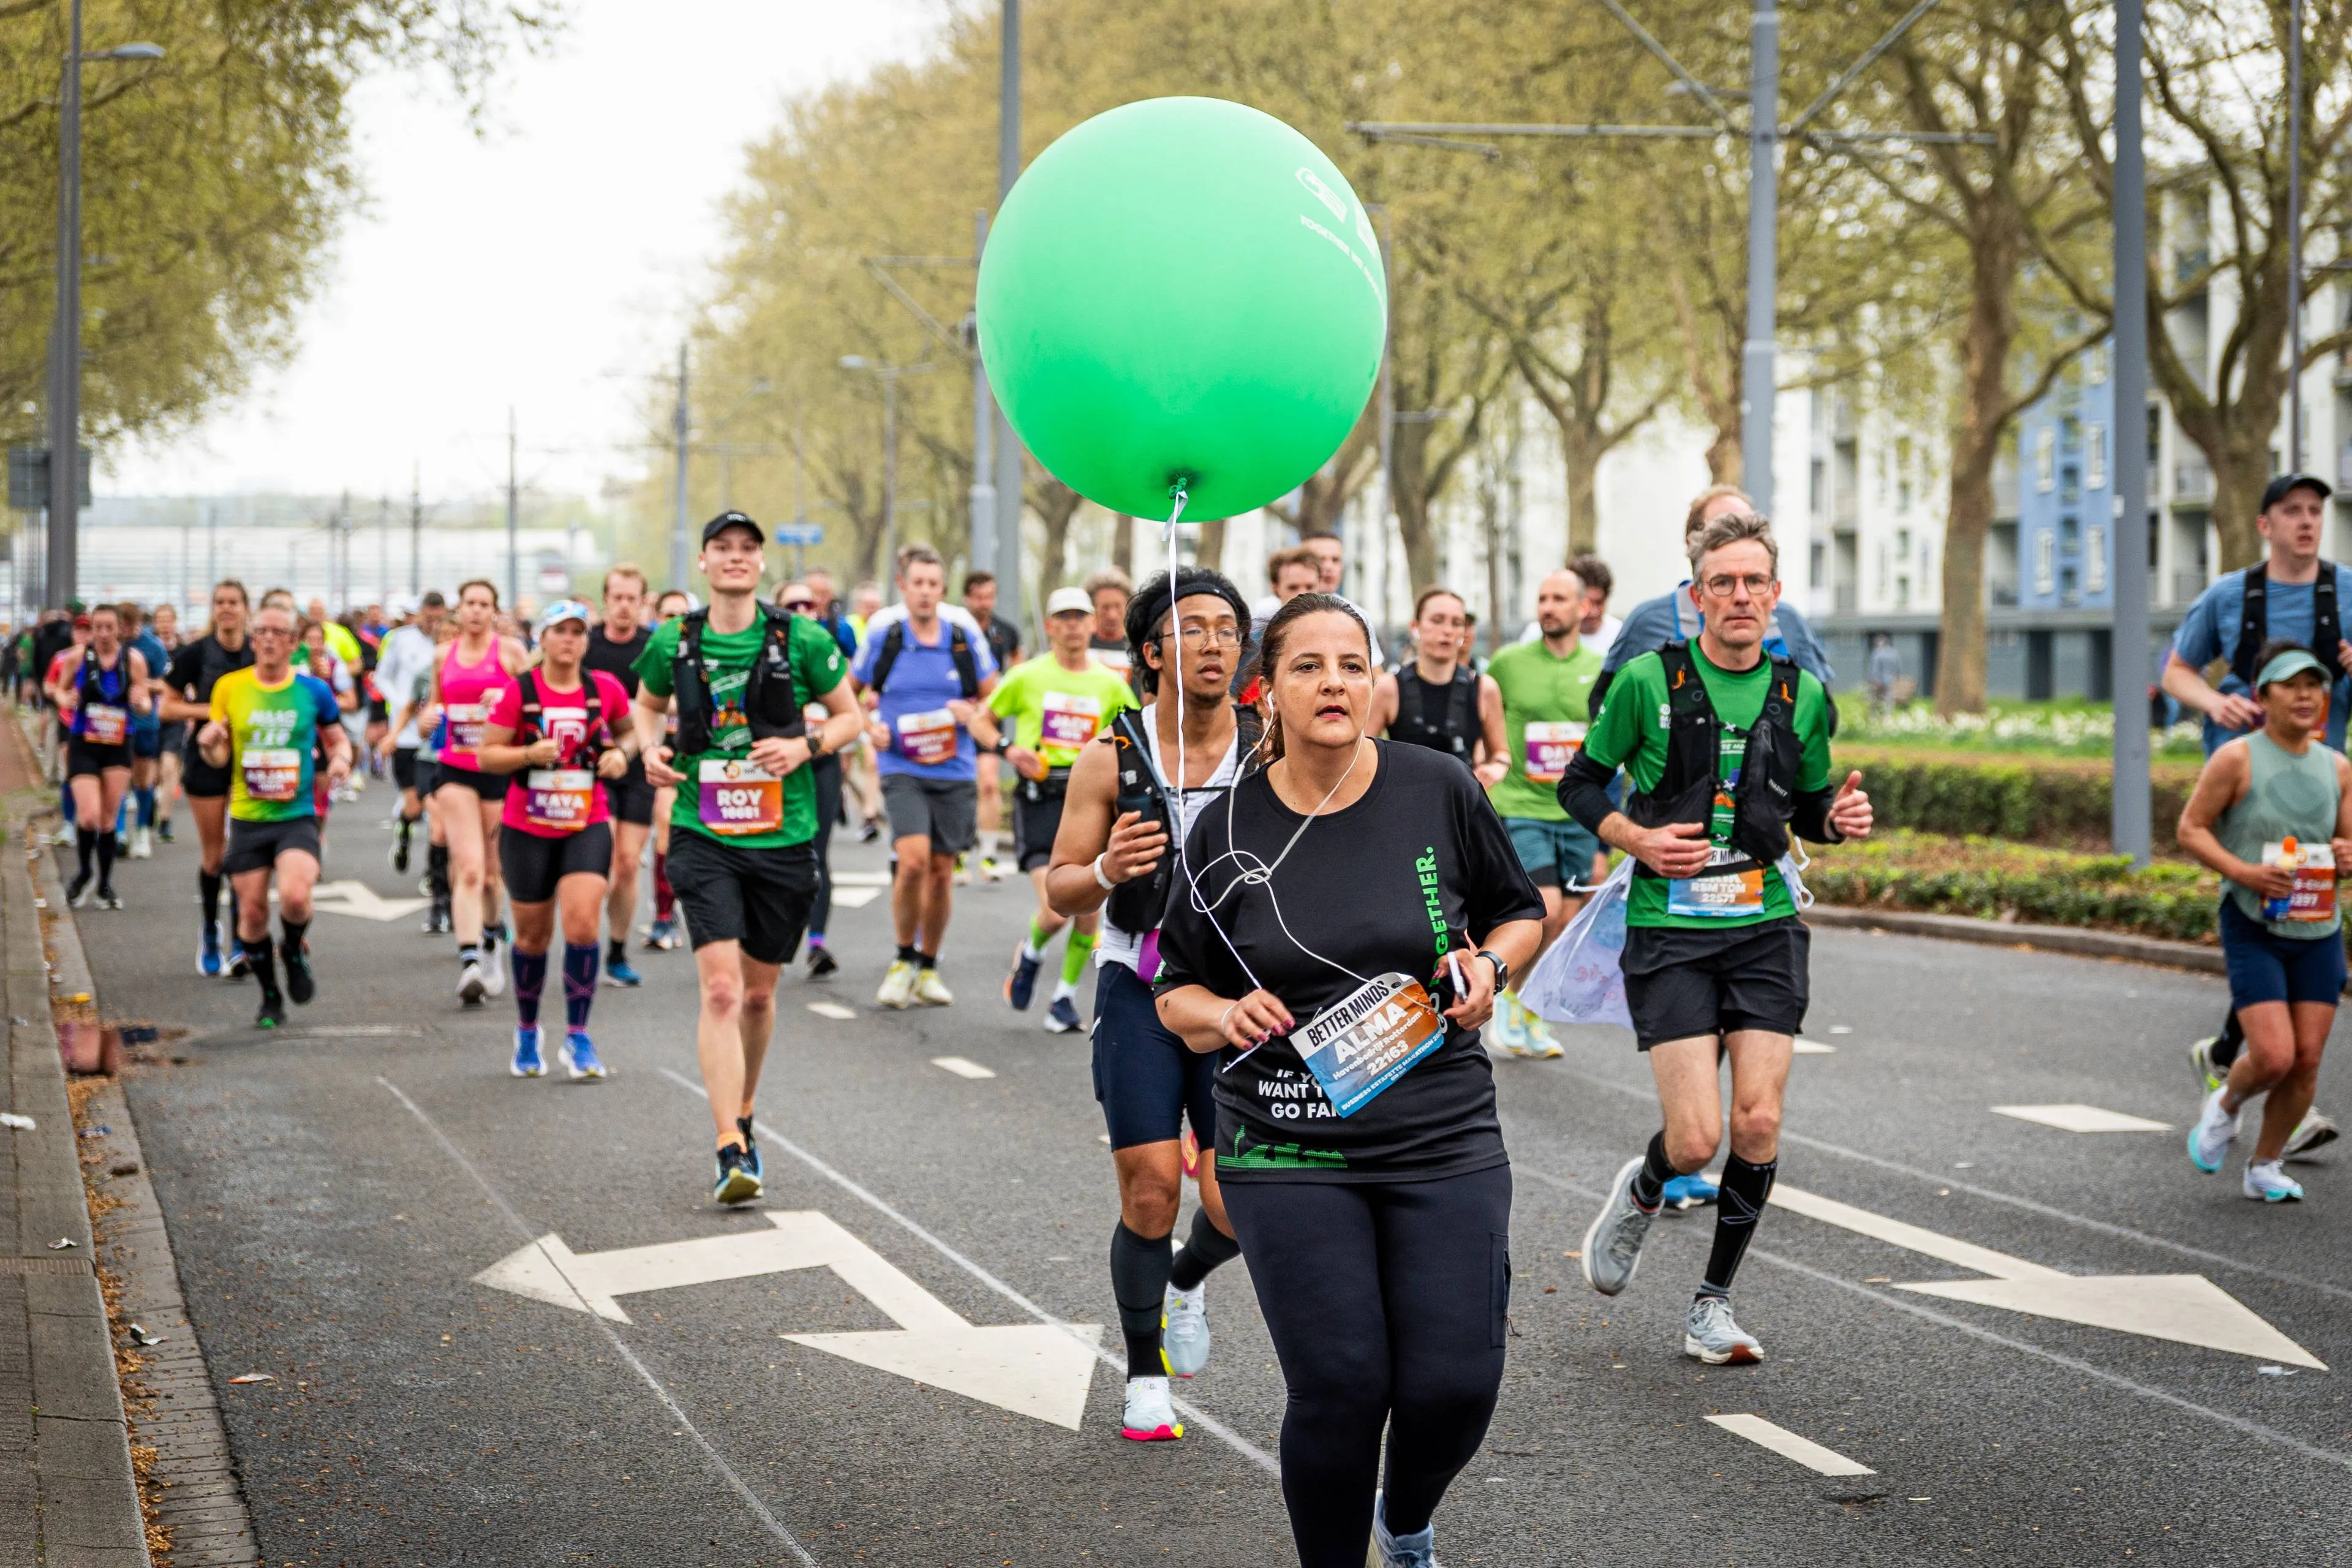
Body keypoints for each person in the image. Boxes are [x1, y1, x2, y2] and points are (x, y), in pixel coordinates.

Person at [1153, 592, 1542, 1568]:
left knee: (1456, 1383)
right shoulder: (1226, 827)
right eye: (1308, 666)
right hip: (1286, 1136)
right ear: (1268, 694)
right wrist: (1224, 1013)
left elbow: (1518, 911)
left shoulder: (1437, 785)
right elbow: (1174, 991)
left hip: (1439, 1129)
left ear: (1377, 682)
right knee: (1342, 1383)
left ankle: (1404, 1519)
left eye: (1352, 664)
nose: (1335, 682)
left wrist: (1490, 968)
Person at [1562, 512, 1873, 1365]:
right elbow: (1580, 784)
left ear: (1775, 597)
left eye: (1755, 583)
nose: (1741, 597)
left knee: (1760, 1120)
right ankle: (1649, 1184)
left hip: (1765, 924)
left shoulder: (1798, 694)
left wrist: (1838, 821)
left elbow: (1808, 804)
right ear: (1697, 595)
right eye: (1724, 583)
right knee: (1697, 1138)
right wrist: (1636, 839)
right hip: (1670, 928)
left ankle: (1713, 1305)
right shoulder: (1645, 681)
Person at [1044, 566, 1253, 1445]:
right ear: (1150, 653)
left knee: (1239, 1200)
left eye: (1226, 629)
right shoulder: (1110, 755)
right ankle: (1144, 1377)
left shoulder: (1274, 747)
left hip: (1241, 994)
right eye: (1191, 628)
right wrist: (1106, 873)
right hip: (1140, 982)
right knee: (1151, 1191)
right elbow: (1058, 887)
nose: (1212, 643)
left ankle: (1188, 1277)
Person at [633, 510, 862, 1204]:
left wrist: (805, 746)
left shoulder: (802, 638)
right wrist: (649, 749)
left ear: (760, 564)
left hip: (784, 836)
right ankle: (729, 1143)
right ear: (702, 563)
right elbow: (646, 706)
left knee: (760, 993)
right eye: (722, 549)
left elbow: (851, 716)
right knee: (723, 990)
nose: (735, 558)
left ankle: (745, 1108)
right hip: (704, 833)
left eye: (747, 549)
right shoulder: (675, 639)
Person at [2164, 472, 2348, 1159]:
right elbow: (2179, 669)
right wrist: (2214, 704)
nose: (2307, 522)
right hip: (2244, 786)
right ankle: (2263, 1070)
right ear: (2266, 524)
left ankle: (2233, 1056)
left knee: (2297, 922)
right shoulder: (2229, 596)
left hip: (2323, 779)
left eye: (2315, 512)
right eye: (2292, 512)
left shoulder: (2346, 592)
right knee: (2257, 909)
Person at [2177, 640, 2351, 1202]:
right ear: (2262, 695)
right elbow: (2192, 829)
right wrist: (2244, 872)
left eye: (2314, 685)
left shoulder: (2338, 767)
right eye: (2291, 685)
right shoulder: (2237, 758)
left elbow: (2344, 844)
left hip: (2319, 928)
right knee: (2273, 1056)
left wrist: (2347, 856)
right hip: (2254, 923)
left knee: (2306, 1062)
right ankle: (2226, 1104)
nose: (2306, 696)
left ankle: (2264, 1167)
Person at [478, 599, 635, 1079]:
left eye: (578, 632)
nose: (569, 640)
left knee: (584, 924)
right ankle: (528, 1031)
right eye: (560, 631)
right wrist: (527, 753)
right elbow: (486, 755)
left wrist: (621, 757)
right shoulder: (518, 692)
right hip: (528, 825)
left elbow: (631, 734)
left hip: (586, 820)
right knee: (532, 936)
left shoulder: (603, 689)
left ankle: (578, 1037)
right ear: (542, 639)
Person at [854, 543, 1001, 1008]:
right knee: (913, 861)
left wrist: (971, 709)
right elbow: (848, 693)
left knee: (941, 873)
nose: (925, 592)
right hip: (902, 766)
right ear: (903, 586)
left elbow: (994, 697)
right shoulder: (886, 635)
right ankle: (901, 959)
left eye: (933, 584)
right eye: (917, 583)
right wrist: (868, 727)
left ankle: (928, 966)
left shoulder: (961, 637)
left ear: (942, 589)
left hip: (954, 768)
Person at [198, 603, 352, 1028]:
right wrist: (209, 742)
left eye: (277, 632)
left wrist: (340, 761)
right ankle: (270, 996)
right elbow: (220, 756)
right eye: (260, 631)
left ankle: (295, 948)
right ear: (253, 640)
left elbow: (339, 740)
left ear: (292, 643)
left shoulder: (313, 691)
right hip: (248, 817)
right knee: (250, 916)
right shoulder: (230, 688)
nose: (267, 638)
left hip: (296, 814)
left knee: (296, 897)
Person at [993, 585, 1133, 1031]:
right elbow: (983, 717)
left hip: (1089, 800)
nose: (1073, 625)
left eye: (1080, 617)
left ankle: (1063, 1000)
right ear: (1050, 626)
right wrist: (1009, 749)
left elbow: (1133, 736)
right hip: (1042, 798)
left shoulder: (1110, 684)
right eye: (1064, 617)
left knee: (1089, 908)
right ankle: (1032, 953)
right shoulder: (1027, 676)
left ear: (1092, 624)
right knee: (1057, 909)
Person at [1483, 568, 1608, 1058]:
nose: (1548, 607)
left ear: (1584, 608)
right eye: (1542, 598)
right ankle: (1505, 1004)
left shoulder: (1601, 668)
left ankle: (1525, 1008)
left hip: (1578, 814)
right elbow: (1484, 718)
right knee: (1545, 909)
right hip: (1520, 807)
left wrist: (1603, 839)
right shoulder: (1509, 664)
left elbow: (1609, 748)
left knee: (1564, 923)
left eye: (1559, 598)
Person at [1592, 486, 1835, 710]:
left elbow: (1822, 714)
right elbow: (1605, 708)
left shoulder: (1788, 621)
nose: (1737, 542)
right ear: (1692, 546)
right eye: (1721, 533)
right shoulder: (1648, 622)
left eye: (1749, 530)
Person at [422, 580, 530, 1005]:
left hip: (498, 770)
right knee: (467, 867)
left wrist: (505, 696)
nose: (476, 612)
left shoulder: (511, 653)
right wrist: (426, 721)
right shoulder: (442, 655)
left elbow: (535, 703)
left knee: (491, 873)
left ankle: (490, 941)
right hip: (454, 768)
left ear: (494, 611)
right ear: (459, 608)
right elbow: (433, 707)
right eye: (469, 603)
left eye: (485, 605)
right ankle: (468, 961)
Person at [162, 583, 257, 973]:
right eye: (220, 602)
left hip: (253, 762)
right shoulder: (196, 652)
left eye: (234, 602)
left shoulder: (257, 650)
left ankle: (241, 942)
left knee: (242, 855)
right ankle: (209, 930)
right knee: (215, 856)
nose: (226, 609)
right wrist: (212, 712)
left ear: (246, 609)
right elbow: (166, 707)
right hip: (206, 759)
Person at [585, 565, 655, 987]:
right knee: (603, 862)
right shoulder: (586, 644)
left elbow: (667, 704)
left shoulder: (652, 647)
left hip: (640, 766)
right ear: (606, 599)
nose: (625, 605)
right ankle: (586, 946)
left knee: (628, 864)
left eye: (633, 598)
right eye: (618, 597)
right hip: (594, 767)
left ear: (643, 601)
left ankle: (617, 951)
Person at [58, 605, 153, 908]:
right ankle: (84, 872)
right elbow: (59, 691)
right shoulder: (77, 657)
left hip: (118, 743)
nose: (102, 633)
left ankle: (105, 884)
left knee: (108, 819)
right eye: (97, 627)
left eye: (109, 627)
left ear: (119, 629)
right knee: (88, 816)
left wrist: (141, 703)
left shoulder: (133, 660)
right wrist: (67, 698)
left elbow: (146, 701)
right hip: (84, 740)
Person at [777, 582, 846, 977]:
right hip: (774, 766)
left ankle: (816, 944)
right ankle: (770, 941)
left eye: (809, 604)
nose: (802, 609)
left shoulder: (827, 649)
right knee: (773, 853)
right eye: (792, 605)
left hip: (820, 761)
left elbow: (849, 709)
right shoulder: (759, 651)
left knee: (817, 855)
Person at [1366, 587, 1504, 780]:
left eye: (1457, 623)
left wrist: (1495, 770)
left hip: (1461, 805)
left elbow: (1501, 754)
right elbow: (1361, 753)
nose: (1447, 631)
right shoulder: (1389, 687)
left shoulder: (1484, 688)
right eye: (1437, 621)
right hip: (1405, 802)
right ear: (1415, 626)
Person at [375, 592, 445, 883]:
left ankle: (435, 873)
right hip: (406, 736)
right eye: (428, 616)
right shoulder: (400, 639)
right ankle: (404, 830)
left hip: (438, 741)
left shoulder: (456, 647)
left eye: (438, 617)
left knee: (438, 809)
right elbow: (382, 677)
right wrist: (404, 702)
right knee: (415, 806)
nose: (433, 622)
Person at [641, 588, 696, 949]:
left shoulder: (704, 651)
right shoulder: (653, 652)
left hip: (705, 759)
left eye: (683, 615)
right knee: (665, 822)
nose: (676, 622)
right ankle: (663, 914)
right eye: (668, 615)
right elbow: (644, 703)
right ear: (657, 618)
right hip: (664, 754)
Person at [964, 570, 1023, 883]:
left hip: (987, 719)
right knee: (963, 787)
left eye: (990, 596)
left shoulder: (1006, 631)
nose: (985, 603)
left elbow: (1018, 667)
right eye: (979, 596)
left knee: (988, 783)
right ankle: (959, 853)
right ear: (966, 598)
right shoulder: (954, 628)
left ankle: (987, 854)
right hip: (956, 721)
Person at [121, 603, 170, 859]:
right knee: (116, 777)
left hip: (144, 721)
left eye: (132, 625)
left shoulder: (152, 647)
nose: (127, 630)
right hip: (115, 721)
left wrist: (142, 685)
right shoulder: (109, 646)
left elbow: (165, 684)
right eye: (123, 625)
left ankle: (141, 831)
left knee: (142, 779)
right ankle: (118, 833)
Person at [1084, 568, 1134, 673]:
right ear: (1092, 609)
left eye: (1118, 607)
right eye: (1105, 608)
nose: (1112, 616)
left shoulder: (1139, 651)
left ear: (1128, 607)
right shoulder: (1080, 649)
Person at [1866, 634, 1902, 714]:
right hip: (1891, 680)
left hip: (1878, 681)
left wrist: (1873, 680)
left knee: (1875, 699)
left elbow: (1874, 668)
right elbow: (1898, 667)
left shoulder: (1877, 653)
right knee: (1889, 699)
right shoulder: (1894, 653)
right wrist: (1897, 677)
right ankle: (1888, 716)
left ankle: (1874, 715)